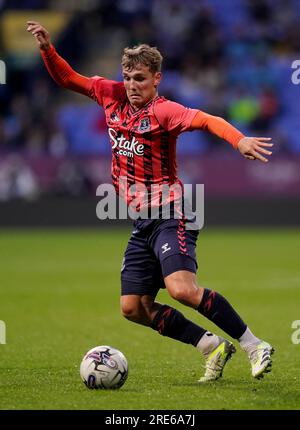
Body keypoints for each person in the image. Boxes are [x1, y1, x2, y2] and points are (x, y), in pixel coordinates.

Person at [27, 21, 274, 382]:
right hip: (143, 219)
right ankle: (211, 346)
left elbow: (207, 120)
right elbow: (68, 80)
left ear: (156, 79)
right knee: (133, 308)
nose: (131, 85)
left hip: (174, 210)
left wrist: (238, 141)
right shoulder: (109, 94)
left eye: (140, 78)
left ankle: (255, 345)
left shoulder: (164, 111)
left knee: (180, 289)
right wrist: (48, 49)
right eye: (127, 77)